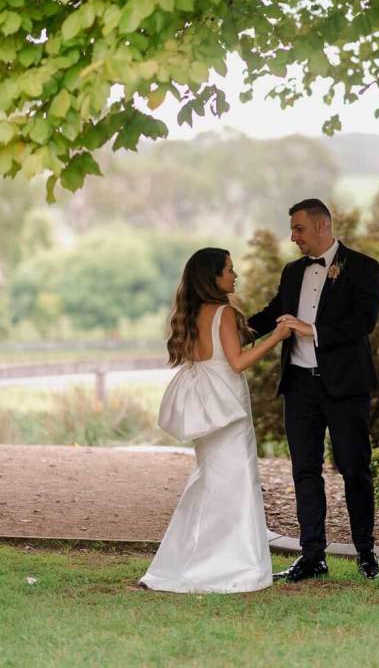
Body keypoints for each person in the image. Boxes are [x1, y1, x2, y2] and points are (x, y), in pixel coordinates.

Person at [139, 247, 291, 594]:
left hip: (205, 402)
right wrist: (277, 336)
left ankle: (191, 560)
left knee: (209, 480)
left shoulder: (189, 313)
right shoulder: (224, 312)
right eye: (229, 270)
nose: (235, 276)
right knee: (237, 482)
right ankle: (233, 566)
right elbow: (237, 362)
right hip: (227, 402)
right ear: (213, 277)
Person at [249, 199, 379, 582]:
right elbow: (273, 312)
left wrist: (313, 330)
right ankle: (312, 556)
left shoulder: (364, 267)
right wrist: (230, 330)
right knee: (304, 471)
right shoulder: (293, 271)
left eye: (299, 228)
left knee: (355, 469)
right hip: (299, 386)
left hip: (346, 387)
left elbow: (364, 322)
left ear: (322, 225)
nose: (293, 237)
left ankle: (366, 552)